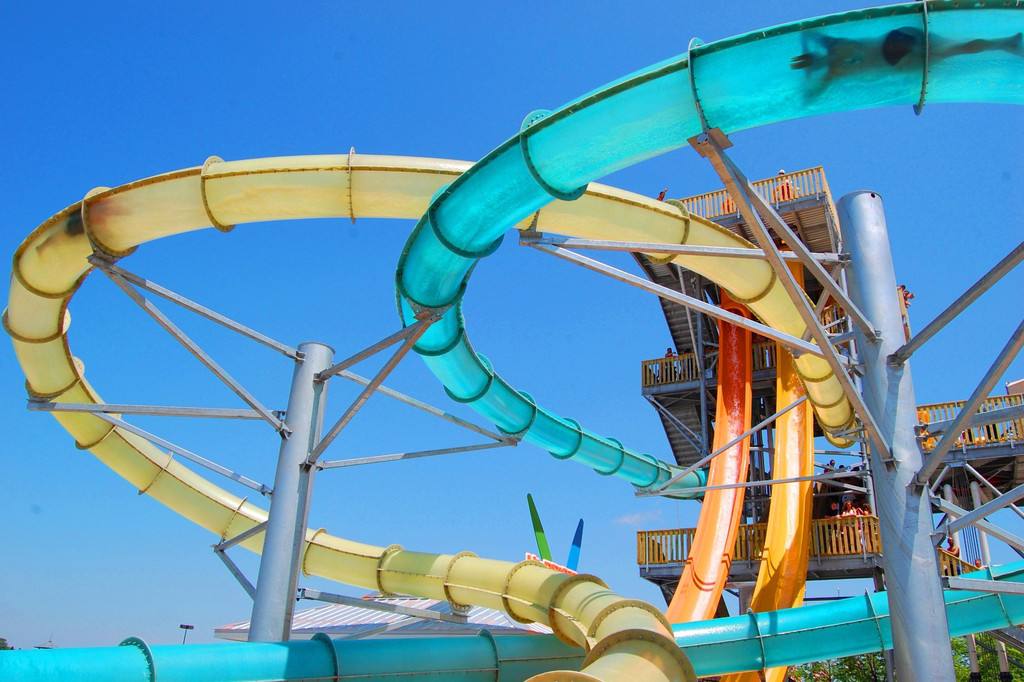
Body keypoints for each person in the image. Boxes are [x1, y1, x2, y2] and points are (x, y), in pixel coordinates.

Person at [790, 27, 1023, 99]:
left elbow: (810, 96)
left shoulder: (834, 70)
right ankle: (1005, 43)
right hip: (896, 41)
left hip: (894, 57)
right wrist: (806, 48)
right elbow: (808, 32)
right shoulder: (833, 45)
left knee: (952, 50)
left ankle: (1005, 43)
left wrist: (808, 68)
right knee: (954, 48)